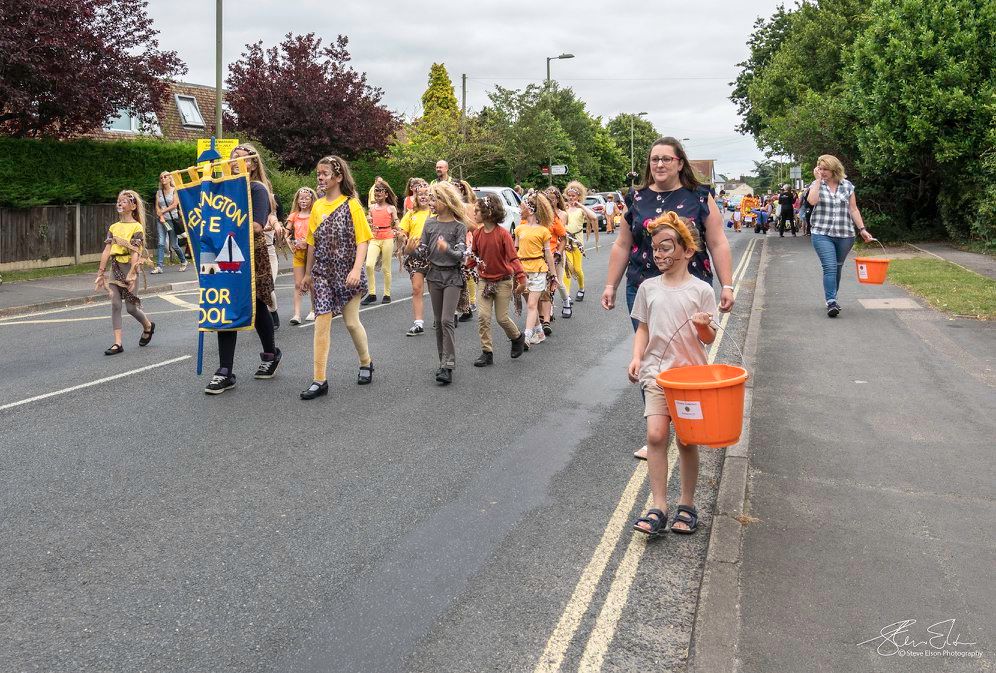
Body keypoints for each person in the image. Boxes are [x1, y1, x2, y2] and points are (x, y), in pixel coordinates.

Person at [601, 136, 734, 460]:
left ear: (679, 163)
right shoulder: (637, 197)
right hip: (645, 287)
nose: (659, 164)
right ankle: (656, 430)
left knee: (687, 356)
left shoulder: (699, 196)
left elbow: (717, 242)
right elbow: (622, 243)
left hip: (690, 288)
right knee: (650, 354)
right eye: (654, 159)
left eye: (665, 159)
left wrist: (728, 285)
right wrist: (610, 285)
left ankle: (688, 424)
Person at [628, 212, 717, 537]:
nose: (660, 255)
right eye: (655, 249)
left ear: (687, 251)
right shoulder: (648, 288)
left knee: (686, 440)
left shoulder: (701, 290)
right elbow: (643, 329)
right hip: (656, 375)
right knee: (655, 436)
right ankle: (659, 505)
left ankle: (687, 504)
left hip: (691, 380)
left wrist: (703, 327)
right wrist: (637, 357)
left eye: (667, 248)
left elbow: (708, 340)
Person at [204, 143, 280, 394]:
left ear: (253, 164)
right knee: (225, 305)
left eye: (240, 158)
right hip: (223, 252)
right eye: (231, 158)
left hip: (249, 253)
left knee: (256, 306)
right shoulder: (222, 189)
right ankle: (225, 370)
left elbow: (257, 225)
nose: (234, 162)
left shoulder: (257, 189)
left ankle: (270, 354)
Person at [298, 155, 375, 399]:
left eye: (325, 173)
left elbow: (363, 240)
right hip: (322, 273)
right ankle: (319, 380)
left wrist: (355, 269)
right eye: (318, 173)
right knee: (321, 322)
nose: (320, 178)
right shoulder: (318, 206)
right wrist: (308, 274)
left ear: (338, 177)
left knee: (351, 322)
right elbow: (312, 242)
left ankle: (366, 362)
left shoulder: (352, 205)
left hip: (347, 273)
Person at [806, 154, 874, 317]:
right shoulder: (817, 185)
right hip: (822, 233)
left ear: (834, 169)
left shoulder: (847, 186)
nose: (822, 172)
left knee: (837, 267)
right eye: (820, 169)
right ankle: (831, 302)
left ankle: (832, 296)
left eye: (825, 169)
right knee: (829, 267)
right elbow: (812, 201)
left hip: (845, 234)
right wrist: (816, 181)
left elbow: (853, 209)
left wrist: (862, 229)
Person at [417, 181, 468, 385]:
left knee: (447, 320)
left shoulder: (459, 227)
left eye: (435, 198)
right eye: (430, 198)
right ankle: (442, 362)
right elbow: (422, 251)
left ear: (446, 201)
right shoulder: (429, 224)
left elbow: (461, 256)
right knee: (438, 322)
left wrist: (447, 248)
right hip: (434, 276)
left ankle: (449, 364)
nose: (431, 202)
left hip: (452, 277)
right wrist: (409, 248)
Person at [95, 190, 155, 355]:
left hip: (130, 267)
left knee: (131, 308)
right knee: (115, 304)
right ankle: (118, 343)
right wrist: (101, 272)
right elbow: (107, 250)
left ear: (133, 206)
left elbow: (135, 251)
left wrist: (133, 273)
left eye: (124, 201)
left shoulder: (137, 227)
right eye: (118, 201)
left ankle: (148, 326)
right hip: (115, 268)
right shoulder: (113, 227)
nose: (119, 204)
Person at [470, 193, 528, 366]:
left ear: (488, 213)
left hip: (503, 281)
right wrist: (462, 266)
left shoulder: (502, 234)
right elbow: (473, 256)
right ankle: (487, 352)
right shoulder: (478, 234)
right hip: (484, 281)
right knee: (483, 316)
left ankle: (517, 338)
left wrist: (521, 278)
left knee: (501, 318)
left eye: (478, 211)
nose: (474, 214)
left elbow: (513, 258)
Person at [515, 191, 558, 346]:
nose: (520, 210)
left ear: (531, 209)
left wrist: (554, 275)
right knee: (529, 304)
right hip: (522, 271)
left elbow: (548, 255)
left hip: (538, 270)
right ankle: (539, 332)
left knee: (533, 304)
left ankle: (526, 336)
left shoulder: (543, 231)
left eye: (522, 207)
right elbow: (515, 252)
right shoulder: (519, 229)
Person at [400, 184, 432, 336]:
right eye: (420, 194)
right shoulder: (412, 213)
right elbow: (401, 231)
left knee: (435, 289)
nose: (423, 196)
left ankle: (443, 317)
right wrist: (403, 237)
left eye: (427, 193)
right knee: (417, 288)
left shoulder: (435, 213)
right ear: (416, 197)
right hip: (415, 255)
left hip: (434, 255)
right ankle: (418, 323)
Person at [362, 179, 400, 305]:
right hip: (374, 238)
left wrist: (397, 230)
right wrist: (368, 221)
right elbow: (369, 222)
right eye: (376, 193)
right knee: (369, 265)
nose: (377, 195)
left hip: (387, 237)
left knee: (386, 267)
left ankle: (387, 294)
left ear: (386, 195)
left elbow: (396, 222)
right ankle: (372, 293)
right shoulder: (372, 208)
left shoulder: (391, 208)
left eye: (380, 193)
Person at [286, 186, 317, 324]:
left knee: (311, 283)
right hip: (298, 253)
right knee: (298, 284)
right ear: (297, 200)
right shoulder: (294, 216)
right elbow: (286, 234)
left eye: (306, 198)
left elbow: (318, 234)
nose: (303, 200)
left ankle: (314, 310)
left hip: (311, 253)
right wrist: (290, 243)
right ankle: (297, 314)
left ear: (312, 200)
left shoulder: (314, 215)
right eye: (301, 198)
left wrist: (309, 242)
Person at [564, 181, 597, 303]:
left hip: (577, 243)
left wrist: (581, 205)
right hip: (565, 243)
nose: (571, 198)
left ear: (578, 196)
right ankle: (566, 296)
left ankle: (581, 288)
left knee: (577, 269)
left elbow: (593, 217)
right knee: (567, 268)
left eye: (573, 196)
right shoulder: (564, 208)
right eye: (569, 195)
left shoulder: (581, 210)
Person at [544, 186, 574, 318]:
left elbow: (563, 235)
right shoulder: (543, 215)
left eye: (552, 199)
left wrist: (559, 251)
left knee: (559, 281)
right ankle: (548, 310)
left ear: (557, 200)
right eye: (547, 199)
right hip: (546, 252)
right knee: (547, 282)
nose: (550, 202)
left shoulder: (562, 214)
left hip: (558, 252)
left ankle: (566, 300)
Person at [453, 179, 479, 322]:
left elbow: (473, 226)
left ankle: (470, 302)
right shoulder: (448, 206)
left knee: (466, 273)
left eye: (457, 188)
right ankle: (461, 308)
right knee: (456, 275)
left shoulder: (468, 206)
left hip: (465, 241)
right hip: (452, 242)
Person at [152, 172, 188, 274]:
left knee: (174, 245)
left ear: (169, 178)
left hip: (172, 220)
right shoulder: (159, 193)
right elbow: (157, 206)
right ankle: (159, 266)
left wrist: (162, 212)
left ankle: (183, 261)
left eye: (165, 176)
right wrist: (161, 216)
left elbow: (174, 205)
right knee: (161, 243)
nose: (163, 178)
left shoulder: (174, 190)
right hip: (161, 221)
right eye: (161, 177)